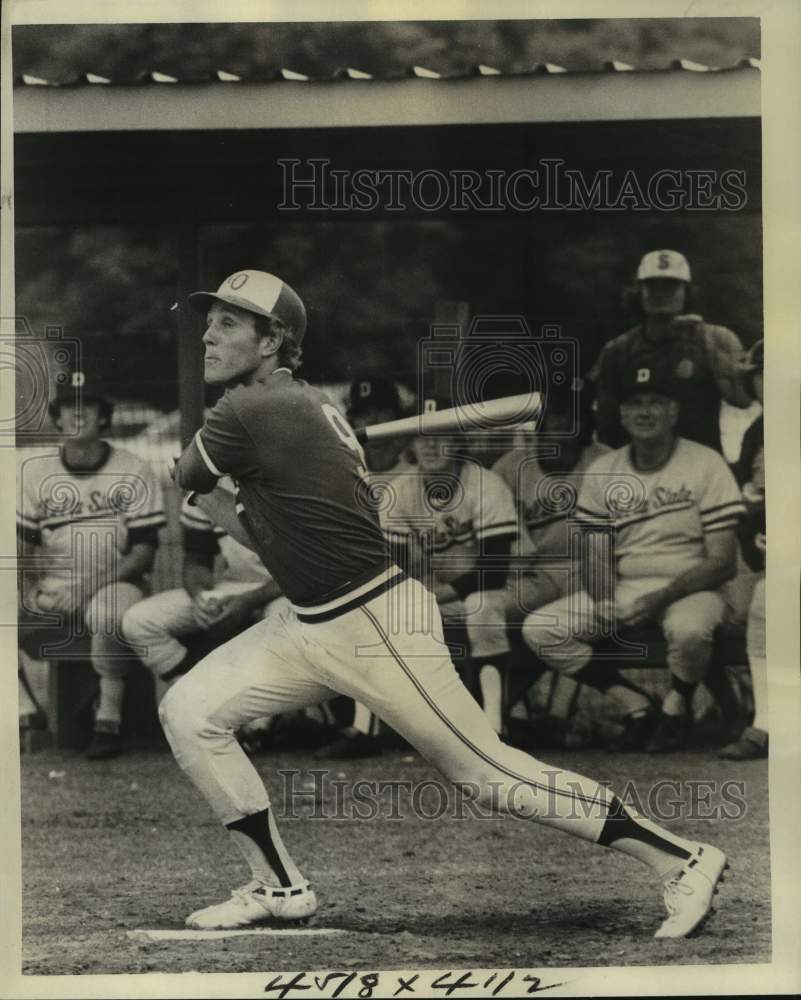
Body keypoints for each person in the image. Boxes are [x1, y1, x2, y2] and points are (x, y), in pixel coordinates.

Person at [162, 267, 730, 939]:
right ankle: (278, 885)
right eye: (210, 318)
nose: (208, 332)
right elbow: (254, 521)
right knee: (191, 710)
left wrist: (200, 488)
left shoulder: (249, 410)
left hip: (373, 623)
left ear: (274, 338)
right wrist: (222, 495)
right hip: (310, 623)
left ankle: (680, 859)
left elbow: (189, 475)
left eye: (229, 322)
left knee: (486, 774)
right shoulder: (298, 409)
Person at [523, 365, 745, 754]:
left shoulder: (705, 462)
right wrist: (603, 599)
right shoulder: (604, 469)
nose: (644, 412)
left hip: (697, 586)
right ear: (622, 415)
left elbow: (723, 561)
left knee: (690, 631)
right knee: (542, 629)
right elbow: (594, 551)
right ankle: (637, 704)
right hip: (628, 587)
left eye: (655, 403)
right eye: (634, 404)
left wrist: (658, 600)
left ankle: (675, 709)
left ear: (674, 411)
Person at [493, 380, 656, 749]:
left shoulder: (607, 461)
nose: (559, 423)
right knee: (491, 613)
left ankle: (552, 717)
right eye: (551, 415)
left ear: (585, 420)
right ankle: (505, 716)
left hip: (595, 571)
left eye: (569, 414)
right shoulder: (511, 465)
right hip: (534, 572)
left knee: (553, 626)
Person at [17, 368, 166, 758]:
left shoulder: (133, 468)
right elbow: (22, 546)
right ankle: (25, 711)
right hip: (54, 591)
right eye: (69, 407)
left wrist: (85, 590)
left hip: (117, 585)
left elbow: (143, 553)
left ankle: (109, 718)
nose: (78, 415)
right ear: (57, 416)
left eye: (88, 407)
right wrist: (29, 587)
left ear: (104, 416)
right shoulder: (36, 473)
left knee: (106, 611)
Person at [381, 399, 519, 736]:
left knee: (482, 605)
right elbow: (391, 567)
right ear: (411, 442)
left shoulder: (486, 484)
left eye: (442, 434)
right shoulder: (400, 490)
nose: (430, 444)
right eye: (422, 434)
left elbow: (495, 569)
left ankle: (493, 728)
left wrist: (433, 595)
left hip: (516, 584)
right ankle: (376, 731)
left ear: (460, 440)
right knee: (385, 614)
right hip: (445, 590)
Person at [314, 376, 413, 758]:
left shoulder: (417, 469)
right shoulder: (347, 472)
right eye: (364, 415)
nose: (374, 424)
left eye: (382, 414)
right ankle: (340, 721)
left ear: (397, 417)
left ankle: (365, 730)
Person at [122, 482, 283, 696]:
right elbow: (197, 558)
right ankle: (200, 697)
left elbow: (310, 569)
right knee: (139, 621)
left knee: (284, 620)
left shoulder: (289, 472)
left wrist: (251, 600)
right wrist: (200, 595)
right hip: (237, 586)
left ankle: (291, 719)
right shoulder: (209, 481)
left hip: (289, 591)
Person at [592, 249, 752, 453]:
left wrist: (709, 351)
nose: (660, 293)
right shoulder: (618, 350)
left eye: (670, 286)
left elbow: (742, 400)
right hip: (640, 468)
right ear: (639, 293)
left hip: (700, 467)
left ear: (687, 292)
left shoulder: (718, 338)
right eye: (652, 286)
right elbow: (606, 424)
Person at [719, 340, 767, 759]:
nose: (767, 383)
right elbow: (745, 496)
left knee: (768, 603)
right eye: (760, 374)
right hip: (770, 555)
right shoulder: (759, 429)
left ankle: (765, 726)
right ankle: (754, 712)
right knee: (742, 605)